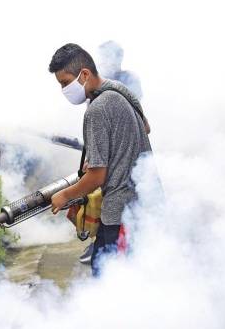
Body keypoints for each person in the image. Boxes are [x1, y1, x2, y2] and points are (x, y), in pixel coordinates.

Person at [48, 43, 151, 277]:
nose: (64, 90)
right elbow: (145, 127)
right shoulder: (120, 90)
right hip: (145, 206)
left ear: (84, 74)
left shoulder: (96, 109)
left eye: (65, 83)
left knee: (109, 279)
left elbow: (97, 176)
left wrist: (64, 195)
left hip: (121, 212)